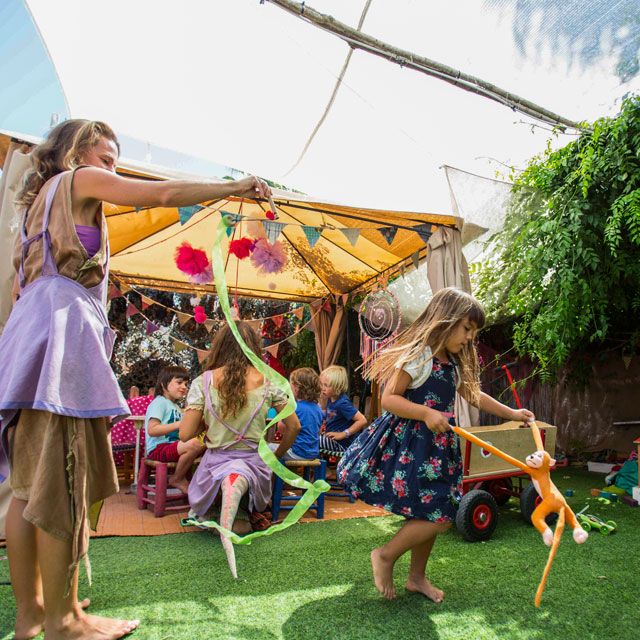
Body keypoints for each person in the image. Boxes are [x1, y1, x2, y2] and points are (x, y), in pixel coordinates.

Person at [0, 119, 272, 640]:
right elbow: (163, 193)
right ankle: (64, 622)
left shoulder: (35, 212)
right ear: (74, 152)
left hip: (26, 350)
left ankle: (33, 613)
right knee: (62, 483)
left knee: (28, 488)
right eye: (106, 158)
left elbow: (22, 293)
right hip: (60, 352)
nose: (112, 170)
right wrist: (235, 186)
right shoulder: (76, 180)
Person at [337, 287, 535, 603]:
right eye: (467, 328)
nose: (470, 337)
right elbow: (389, 399)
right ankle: (386, 556)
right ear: (446, 320)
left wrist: (512, 412)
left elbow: (475, 395)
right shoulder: (418, 356)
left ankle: (416, 578)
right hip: (408, 447)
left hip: (436, 451)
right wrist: (427, 412)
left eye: (474, 332)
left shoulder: (451, 364)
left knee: (428, 511)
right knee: (440, 515)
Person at [179, 322, 300, 577]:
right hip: (255, 464)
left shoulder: (203, 382)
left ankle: (219, 514)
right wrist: (275, 457)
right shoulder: (270, 382)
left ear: (220, 346)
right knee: (244, 523)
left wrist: (207, 417)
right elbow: (294, 427)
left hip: (215, 464)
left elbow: (185, 434)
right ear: (254, 348)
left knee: (207, 519)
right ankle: (237, 507)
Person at [144, 366, 204, 494]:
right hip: (159, 449)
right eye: (179, 382)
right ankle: (177, 478)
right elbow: (152, 430)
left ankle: (202, 484)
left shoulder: (175, 406)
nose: (184, 387)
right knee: (194, 444)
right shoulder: (159, 403)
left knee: (206, 442)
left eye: (186, 384)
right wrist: (181, 423)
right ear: (164, 384)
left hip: (173, 447)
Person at [269, 367, 323, 461]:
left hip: (295, 452)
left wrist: (280, 415)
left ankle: (273, 475)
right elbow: (319, 431)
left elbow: (281, 429)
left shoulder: (294, 408)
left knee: (265, 448)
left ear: (297, 388)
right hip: (312, 453)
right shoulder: (318, 409)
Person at [318, 366, 367, 455]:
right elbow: (332, 415)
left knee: (310, 439)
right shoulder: (332, 398)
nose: (323, 388)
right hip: (332, 438)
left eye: (326, 385)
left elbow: (362, 420)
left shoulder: (343, 403)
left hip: (342, 444)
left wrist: (343, 434)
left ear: (338, 386)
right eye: (321, 384)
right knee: (309, 434)